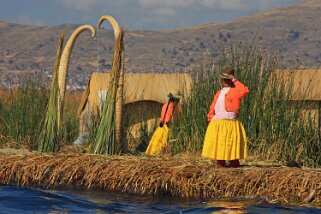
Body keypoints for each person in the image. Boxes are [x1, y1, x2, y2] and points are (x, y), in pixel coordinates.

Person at [202, 68, 249, 167]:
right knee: (220, 146)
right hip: (217, 123)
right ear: (222, 81)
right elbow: (213, 106)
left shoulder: (236, 91)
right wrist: (210, 117)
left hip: (230, 123)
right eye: (225, 79)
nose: (226, 81)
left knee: (231, 146)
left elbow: (244, 90)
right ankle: (220, 165)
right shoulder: (219, 93)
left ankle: (235, 166)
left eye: (228, 79)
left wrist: (234, 80)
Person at [145, 90, 182, 155]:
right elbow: (178, 117)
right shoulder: (177, 107)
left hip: (161, 126)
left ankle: (152, 152)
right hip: (169, 127)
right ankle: (160, 153)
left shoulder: (165, 105)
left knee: (157, 141)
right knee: (163, 141)